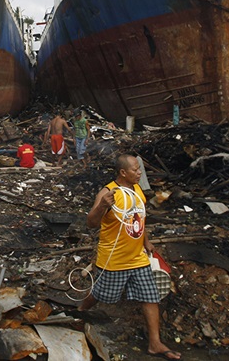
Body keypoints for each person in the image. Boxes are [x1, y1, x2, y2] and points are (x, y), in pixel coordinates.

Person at [79, 154, 181, 360]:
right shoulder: (107, 193)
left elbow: (139, 218)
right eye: (135, 170)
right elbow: (90, 223)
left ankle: (155, 343)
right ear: (123, 172)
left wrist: (146, 241)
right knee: (102, 294)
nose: (139, 173)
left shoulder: (137, 190)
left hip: (138, 258)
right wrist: (102, 206)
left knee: (150, 297)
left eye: (139, 169)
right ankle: (80, 310)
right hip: (114, 259)